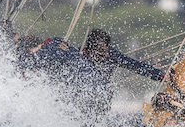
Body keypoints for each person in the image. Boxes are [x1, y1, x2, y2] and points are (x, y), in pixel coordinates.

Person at [16, 29, 164, 118]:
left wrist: (161, 76)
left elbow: (137, 66)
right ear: (90, 48)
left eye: (106, 49)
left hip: (100, 97)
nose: (104, 53)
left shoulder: (111, 55)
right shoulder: (77, 55)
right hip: (77, 97)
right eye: (101, 50)